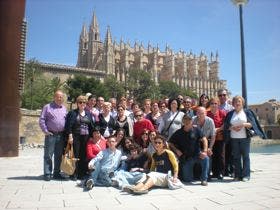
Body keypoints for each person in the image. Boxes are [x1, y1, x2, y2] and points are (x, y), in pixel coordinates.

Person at [223, 96, 266, 182]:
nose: (237, 103)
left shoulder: (247, 112)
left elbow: (252, 124)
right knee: (236, 157)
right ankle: (238, 175)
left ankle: (246, 175)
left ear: (242, 103)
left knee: (246, 157)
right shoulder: (230, 114)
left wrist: (243, 125)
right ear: (233, 104)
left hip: (245, 138)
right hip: (234, 138)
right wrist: (232, 128)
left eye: (239, 101)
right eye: (235, 102)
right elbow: (226, 126)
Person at [169, 115, 209, 186]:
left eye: (189, 120)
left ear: (191, 121)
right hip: (187, 158)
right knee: (187, 180)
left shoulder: (196, 129)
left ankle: (204, 179)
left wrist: (205, 151)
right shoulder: (179, 132)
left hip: (197, 155)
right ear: (183, 121)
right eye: (185, 120)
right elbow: (170, 142)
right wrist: (177, 150)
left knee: (206, 158)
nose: (187, 121)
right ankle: (194, 175)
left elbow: (204, 139)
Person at [39, 90, 67, 181]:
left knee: (58, 155)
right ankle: (47, 173)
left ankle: (56, 173)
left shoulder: (64, 108)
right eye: (58, 96)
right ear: (54, 97)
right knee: (48, 155)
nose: (59, 98)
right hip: (51, 134)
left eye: (61, 97)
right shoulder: (47, 107)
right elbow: (42, 120)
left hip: (61, 135)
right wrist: (46, 131)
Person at [64, 95, 94, 180]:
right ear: (77, 103)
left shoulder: (88, 113)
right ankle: (73, 173)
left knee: (83, 155)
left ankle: (81, 173)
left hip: (86, 137)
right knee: (75, 154)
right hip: (76, 136)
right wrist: (70, 136)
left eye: (84, 102)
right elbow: (68, 126)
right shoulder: (72, 113)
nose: (82, 104)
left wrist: (92, 136)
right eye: (80, 102)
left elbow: (91, 126)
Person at [207, 97, 227, 180]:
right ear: (210, 105)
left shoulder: (222, 113)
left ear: (218, 104)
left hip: (220, 138)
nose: (214, 105)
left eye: (215, 103)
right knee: (212, 155)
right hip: (210, 138)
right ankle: (214, 173)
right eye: (212, 103)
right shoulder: (207, 114)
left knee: (220, 156)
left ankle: (221, 173)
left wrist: (217, 129)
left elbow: (225, 124)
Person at [217, 88, 234, 177]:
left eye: (224, 95)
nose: (222, 97)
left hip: (231, 132)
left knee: (231, 151)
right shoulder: (217, 107)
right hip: (221, 133)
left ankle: (232, 170)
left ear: (227, 96)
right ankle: (225, 171)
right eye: (220, 95)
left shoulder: (231, 107)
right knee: (223, 152)